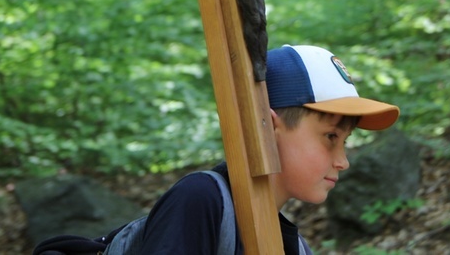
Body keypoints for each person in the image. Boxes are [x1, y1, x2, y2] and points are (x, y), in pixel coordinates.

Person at [140, 44, 400, 254]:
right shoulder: (200, 200)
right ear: (268, 126)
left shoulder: (294, 247)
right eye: (331, 136)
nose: (343, 161)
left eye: (344, 141)